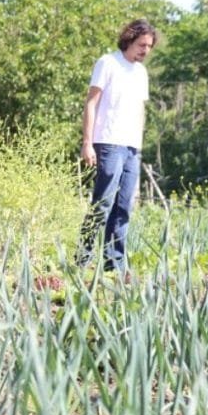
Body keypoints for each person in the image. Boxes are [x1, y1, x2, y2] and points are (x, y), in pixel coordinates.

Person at [77, 19, 157, 279]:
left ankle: (115, 265)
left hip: (132, 146)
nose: (145, 50)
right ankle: (82, 260)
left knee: (124, 207)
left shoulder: (141, 73)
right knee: (103, 203)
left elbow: (139, 110)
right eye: (141, 44)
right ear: (129, 40)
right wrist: (87, 143)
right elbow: (91, 103)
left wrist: (139, 145)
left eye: (149, 46)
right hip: (108, 141)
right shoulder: (108, 63)